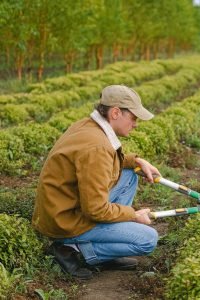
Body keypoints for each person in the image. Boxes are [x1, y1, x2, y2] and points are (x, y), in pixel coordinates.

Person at [32, 85, 160, 279]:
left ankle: (104, 246)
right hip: (66, 222)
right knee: (148, 240)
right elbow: (95, 209)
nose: (136, 124)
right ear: (116, 112)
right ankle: (72, 249)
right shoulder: (97, 147)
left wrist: (136, 161)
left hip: (61, 207)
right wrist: (132, 215)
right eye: (134, 118)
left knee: (129, 175)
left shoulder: (88, 126)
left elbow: (106, 160)